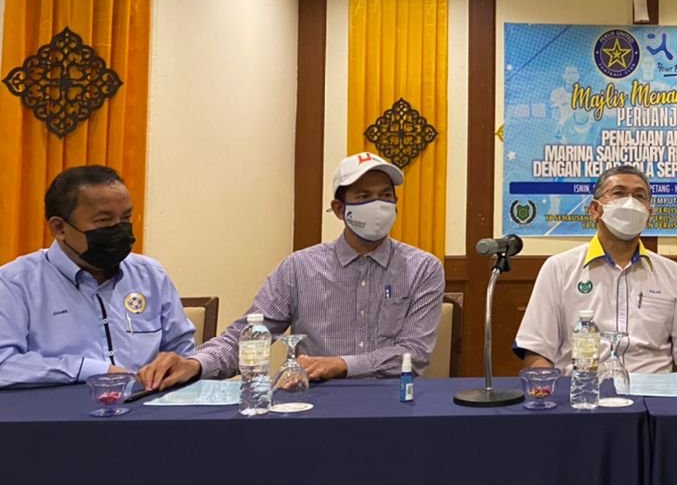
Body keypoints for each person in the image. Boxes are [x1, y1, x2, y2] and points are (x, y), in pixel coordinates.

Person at [138, 152, 443, 391]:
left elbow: (413, 353)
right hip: (315, 401)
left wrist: (340, 364)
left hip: (391, 401)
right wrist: (196, 364)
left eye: (386, 195)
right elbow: (248, 336)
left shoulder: (423, 268)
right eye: (364, 197)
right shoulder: (299, 268)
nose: (379, 205)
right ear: (339, 209)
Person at [0, 165, 195, 387]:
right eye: (104, 221)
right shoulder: (14, 283)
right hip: (57, 406)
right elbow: (4, 364)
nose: (119, 229)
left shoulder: (150, 275)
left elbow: (183, 352)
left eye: (126, 218)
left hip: (144, 403)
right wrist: (90, 370)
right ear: (59, 228)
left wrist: (176, 366)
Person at [515, 165, 677, 375]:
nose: (630, 203)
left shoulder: (672, 274)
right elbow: (537, 351)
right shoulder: (559, 269)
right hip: (583, 389)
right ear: (595, 209)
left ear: (649, 214)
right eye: (619, 193)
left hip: (654, 390)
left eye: (639, 196)